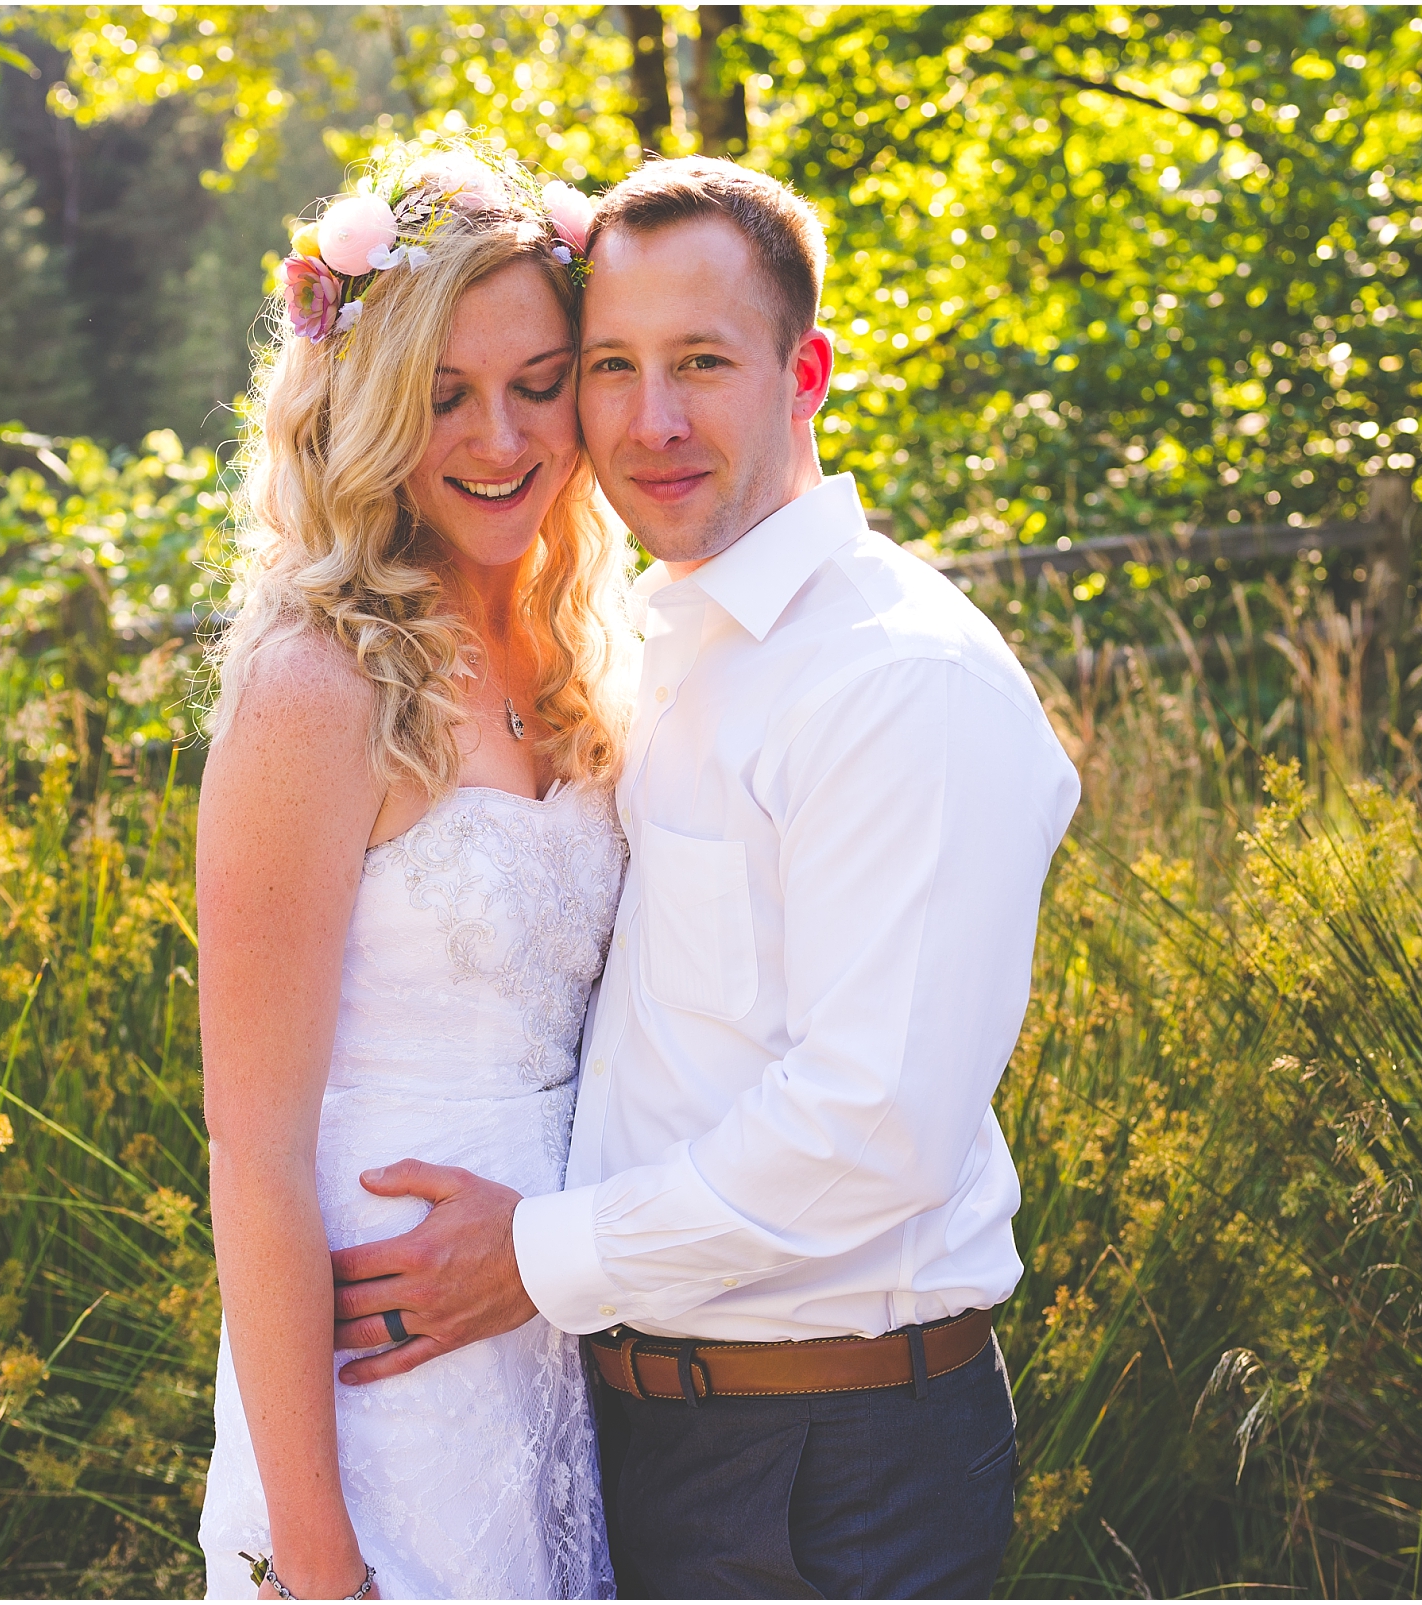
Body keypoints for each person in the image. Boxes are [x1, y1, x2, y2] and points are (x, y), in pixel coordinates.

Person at [329, 157, 1082, 1598]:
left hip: (833, 1464)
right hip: (642, 1432)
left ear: (807, 372)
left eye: (702, 364)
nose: (651, 420)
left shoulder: (895, 680)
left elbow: (877, 1124)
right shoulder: (654, 644)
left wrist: (537, 1257)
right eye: (609, 366)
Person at [191, 144, 630, 1601]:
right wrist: (318, 1558)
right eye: (445, 392)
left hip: (562, 1355)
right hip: (383, 1415)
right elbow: (252, 1155)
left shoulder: (583, 650)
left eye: (538, 379)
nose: (500, 435)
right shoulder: (316, 688)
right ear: (372, 402)